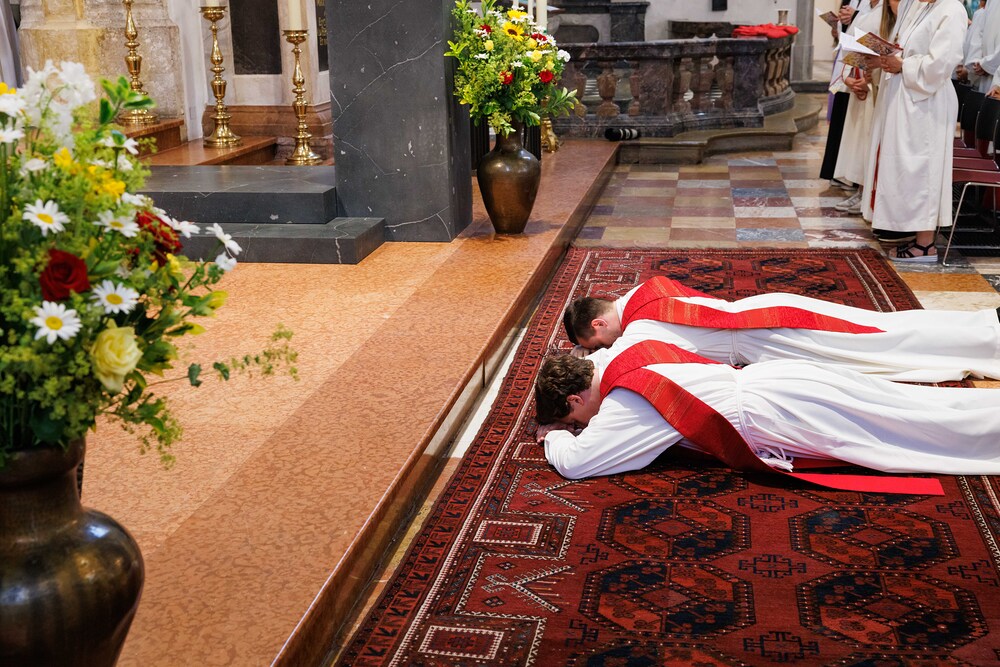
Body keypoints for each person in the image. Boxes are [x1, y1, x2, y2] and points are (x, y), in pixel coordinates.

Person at [533, 340, 1000, 486]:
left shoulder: (626, 401)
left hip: (778, 412)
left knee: (910, 432)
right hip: (781, 379)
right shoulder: (627, 355)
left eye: (577, 421)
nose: (585, 427)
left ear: (575, 400)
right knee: (910, 406)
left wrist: (554, 436)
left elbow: (578, 464)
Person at [563, 276, 1000, 382]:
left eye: (595, 341)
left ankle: (986, 341)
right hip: (768, 312)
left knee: (881, 345)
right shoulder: (645, 289)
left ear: (599, 322)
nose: (603, 347)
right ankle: (980, 329)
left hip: (770, 335)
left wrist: (588, 360)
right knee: (881, 328)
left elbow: (622, 360)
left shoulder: (640, 328)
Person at [863, 0, 968, 262]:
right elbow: (903, 47)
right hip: (905, 98)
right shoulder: (916, 6)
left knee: (925, 169)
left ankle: (925, 245)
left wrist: (902, 65)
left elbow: (940, 65)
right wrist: (885, 59)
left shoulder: (951, 9)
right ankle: (913, 232)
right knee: (905, 168)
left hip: (928, 102)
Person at [832, 0, 894, 217]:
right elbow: (851, 46)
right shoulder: (865, 9)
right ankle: (859, 189)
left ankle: (867, 193)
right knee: (858, 141)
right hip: (861, 83)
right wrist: (850, 78)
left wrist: (867, 80)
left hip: (876, 83)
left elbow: (890, 50)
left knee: (869, 139)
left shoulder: (889, 10)